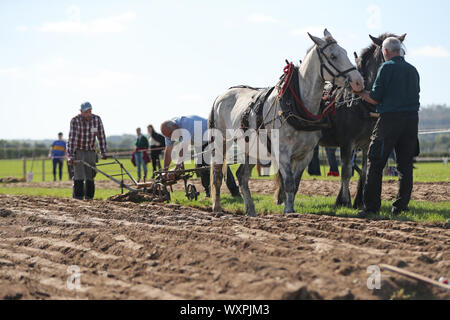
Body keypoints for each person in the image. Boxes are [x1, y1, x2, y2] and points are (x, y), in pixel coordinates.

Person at [354, 37, 420, 217]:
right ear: (400, 50)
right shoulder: (413, 70)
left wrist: (359, 92)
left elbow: (374, 98)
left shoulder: (386, 68)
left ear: (385, 52)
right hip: (412, 121)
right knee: (405, 166)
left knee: (375, 162)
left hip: (390, 121)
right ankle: (401, 206)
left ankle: (371, 207)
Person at [160, 115, 241, 198]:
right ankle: (209, 193)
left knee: (221, 164)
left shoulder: (186, 124)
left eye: (170, 135)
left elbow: (184, 148)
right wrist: (165, 171)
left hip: (212, 136)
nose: (170, 138)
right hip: (199, 141)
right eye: (168, 136)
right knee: (201, 167)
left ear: (174, 126)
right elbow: (168, 151)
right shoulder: (169, 132)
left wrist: (176, 168)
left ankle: (235, 192)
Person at [67, 102, 107, 200]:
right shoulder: (75, 121)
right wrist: (71, 155)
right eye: (86, 112)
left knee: (90, 175)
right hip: (79, 151)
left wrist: (103, 151)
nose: (88, 114)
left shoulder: (96, 119)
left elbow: (101, 136)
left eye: (89, 111)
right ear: (81, 112)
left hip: (91, 151)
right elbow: (72, 139)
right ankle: (78, 197)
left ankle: (89, 197)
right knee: (79, 175)